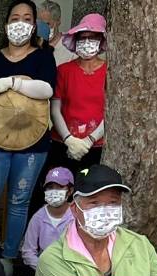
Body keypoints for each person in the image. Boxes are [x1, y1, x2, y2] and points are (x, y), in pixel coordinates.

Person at [0, 1, 56, 261]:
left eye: (27, 19)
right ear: (6, 24)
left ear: (34, 25)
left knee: (19, 202)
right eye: (15, 18)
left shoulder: (43, 58)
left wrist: (11, 83)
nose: (20, 23)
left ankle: (8, 258)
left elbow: (46, 90)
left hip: (33, 144)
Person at [50, 13, 107, 173]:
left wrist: (89, 140)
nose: (87, 42)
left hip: (97, 146)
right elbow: (55, 109)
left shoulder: (110, 73)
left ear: (101, 41)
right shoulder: (63, 70)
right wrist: (69, 139)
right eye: (82, 37)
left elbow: (112, 112)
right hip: (63, 143)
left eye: (92, 37)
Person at [20, 166, 73, 272]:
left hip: (70, 269)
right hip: (43, 269)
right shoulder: (38, 217)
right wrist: (44, 268)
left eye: (60, 187)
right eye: (50, 187)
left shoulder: (76, 217)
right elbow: (28, 251)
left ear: (70, 190)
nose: (54, 191)